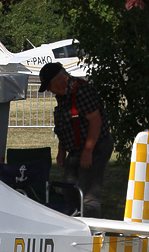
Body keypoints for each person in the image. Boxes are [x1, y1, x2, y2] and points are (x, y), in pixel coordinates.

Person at [38, 61, 112, 216]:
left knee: (88, 195)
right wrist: (61, 150)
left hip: (95, 147)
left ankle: (93, 233)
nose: (50, 91)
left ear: (58, 79)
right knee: (68, 187)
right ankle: (77, 220)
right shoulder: (63, 95)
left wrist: (88, 151)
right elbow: (65, 123)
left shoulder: (81, 90)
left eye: (49, 86)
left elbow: (95, 120)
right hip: (76, 149)